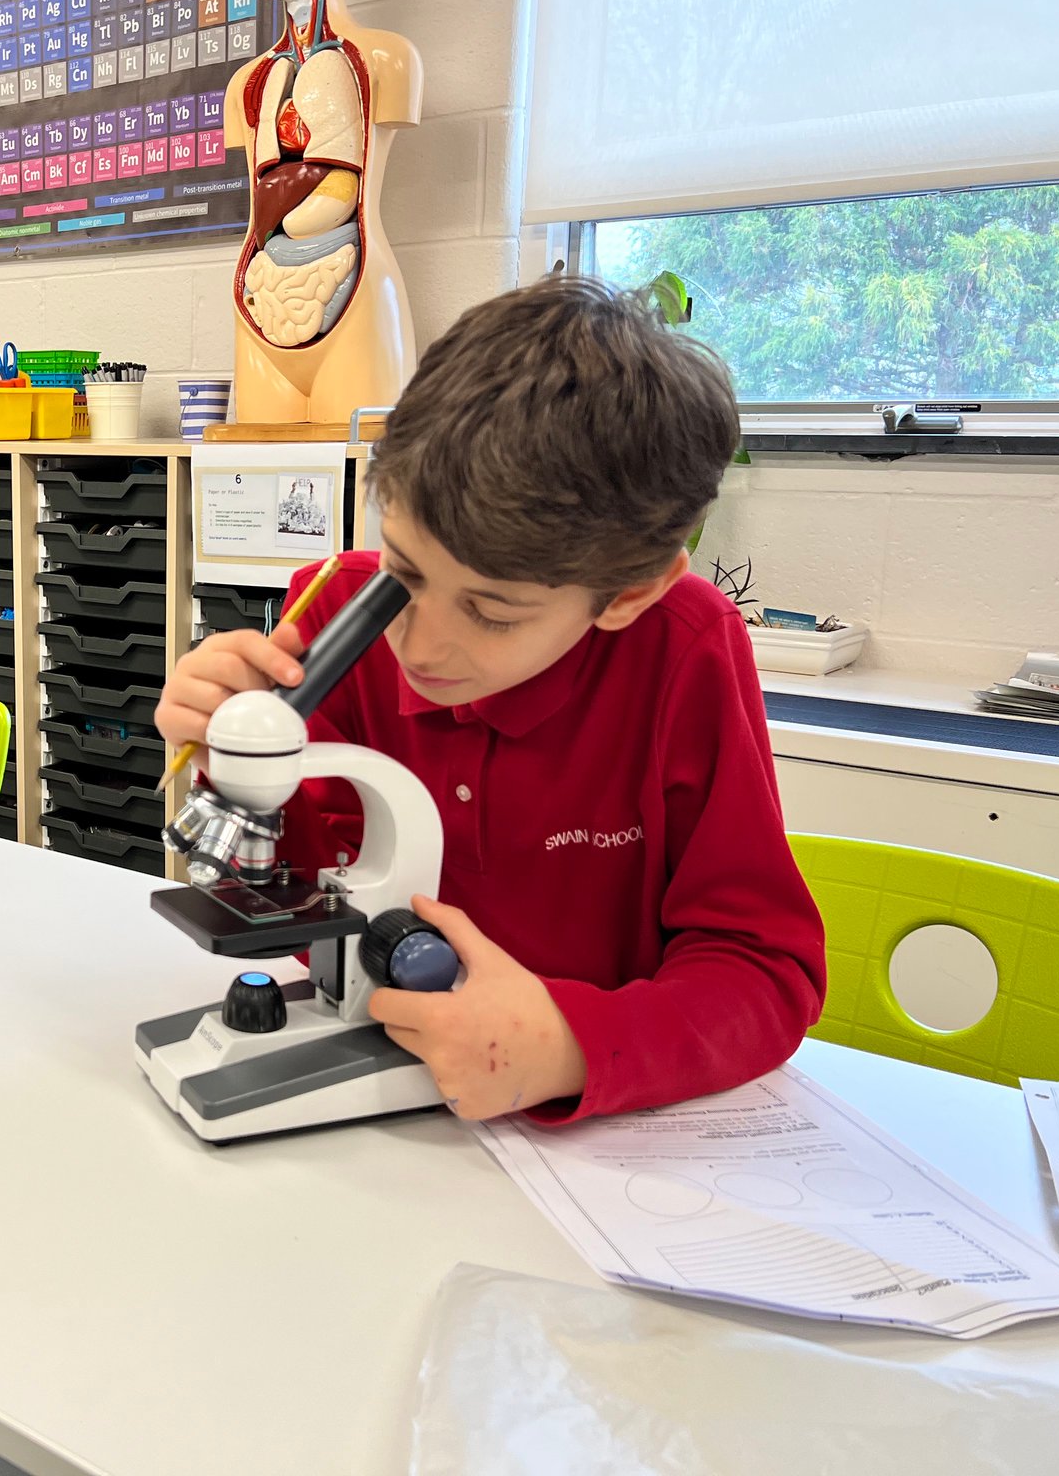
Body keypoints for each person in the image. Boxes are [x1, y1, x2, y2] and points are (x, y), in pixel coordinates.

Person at [156, 276, 826, 1123]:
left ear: (626, 595)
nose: (422, 649)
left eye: (492, 611)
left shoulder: (681, 648)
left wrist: (578, 1044)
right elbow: (282, 903)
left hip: (596, 1151)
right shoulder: (333, 608)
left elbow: (765, 974)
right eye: (405, 573)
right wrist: (224, 756)